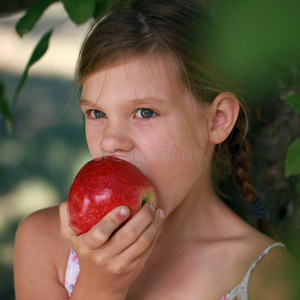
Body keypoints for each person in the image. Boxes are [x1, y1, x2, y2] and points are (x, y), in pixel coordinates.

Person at [14, 0, 298, 299]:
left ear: (217, 119)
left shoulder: (269, 281)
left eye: (145, 112)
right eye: (97, 113)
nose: (110, 141)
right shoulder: (44, 242)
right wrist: (99, 288)